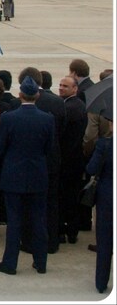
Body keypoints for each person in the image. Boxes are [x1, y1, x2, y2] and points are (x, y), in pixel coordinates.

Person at [0, 76, 54, 276]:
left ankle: (10, 263)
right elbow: (49, 149)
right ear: (37, 95)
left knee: (14, 221)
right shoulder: (47, 119)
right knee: (38, 220)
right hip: (37, 175)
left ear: (20, 95)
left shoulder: (9, 118)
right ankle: (41, 261)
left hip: (13, 175)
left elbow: (1, 147)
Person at [57, 75, 88, 244]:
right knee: (72, 197)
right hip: (76, 160)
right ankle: (72, 231)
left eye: (66, 86)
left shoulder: (69, 108)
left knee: (64, 197)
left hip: (67, 160)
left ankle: (63, 230)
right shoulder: (79, 105)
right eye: (61, 85)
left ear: (75, 89)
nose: (61, 88)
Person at [86, 106, 112, 294]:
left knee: (105, 242)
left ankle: (101, 283)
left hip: (108, 196)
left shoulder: (105, 144)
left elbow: (92, 168)